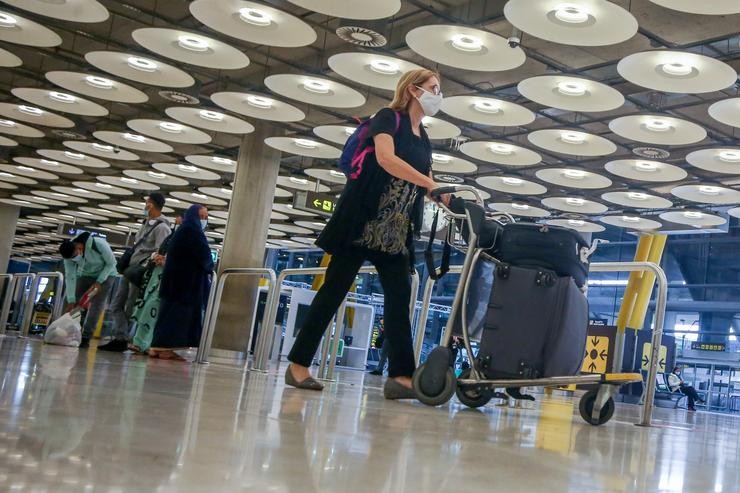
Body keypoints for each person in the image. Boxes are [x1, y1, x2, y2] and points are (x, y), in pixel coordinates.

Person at [285, 68, 449, 399]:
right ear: (414, 90)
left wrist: (442, 193)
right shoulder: (388, 118)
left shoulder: (424, 135)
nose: (438, 95)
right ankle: (298, 366)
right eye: (434, 88)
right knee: (333, 291)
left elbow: (427, 179)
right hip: (362, 222)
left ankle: (401, 376)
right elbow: (387, 159)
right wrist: (429, 182)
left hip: (395, 231)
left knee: (400, 299)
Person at [98, 193, 171, 352]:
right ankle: (121, 337)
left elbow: (161, 251)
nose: (145, 206)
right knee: (117, 304)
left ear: (151, 205)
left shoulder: (163, 228)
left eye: (147, 203)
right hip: (129, 270)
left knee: (130, 306)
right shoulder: (145, 224)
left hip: (140, 272)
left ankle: (125, 338)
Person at [148, 204, 213, 361]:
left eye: (206, 218)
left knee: (166, 315)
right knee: (178, 318)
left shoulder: (182, 231)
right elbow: (204, 256)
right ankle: (166, 350)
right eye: (202, 217)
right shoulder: (193, 232)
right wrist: (209, 266)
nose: (204, 220)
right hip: (186, 285)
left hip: (173, 283)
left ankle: (156, 348)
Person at [129, 215, 182, 354]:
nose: (178, 222)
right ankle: (139, 341)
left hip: (165, 279)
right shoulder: (171, 237)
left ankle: (147, 344)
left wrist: (167, 261)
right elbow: (158, 251)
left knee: (153, 310)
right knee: (147, 307)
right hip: (154, 277)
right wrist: (155, 257)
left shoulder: (182, 239)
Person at [58, 232, 118, 348]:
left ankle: (86, 336)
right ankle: (66, 331)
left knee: (97, 305)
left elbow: (112, 263)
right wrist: (71, 299)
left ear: (78, 247)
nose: (75, 259)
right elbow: (70, 276)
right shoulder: (68, 253)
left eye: (75, 255)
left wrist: (99, 281)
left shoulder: (99, 244)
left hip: (106, 275)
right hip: (85, 274)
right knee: (70, 301)